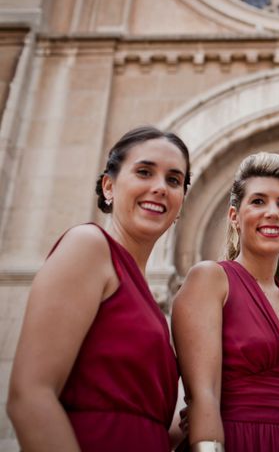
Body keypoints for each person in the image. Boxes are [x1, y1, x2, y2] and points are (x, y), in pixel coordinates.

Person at [7, 126, 191, 451]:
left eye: (174, 180)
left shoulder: (152, 306)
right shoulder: (89, 246)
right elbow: (30, 396)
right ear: (109, 185)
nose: (160, 188)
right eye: (145, 172)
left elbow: (147, 422)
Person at [172, 152, 279, 452]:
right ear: (234, 216)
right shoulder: (211, 279)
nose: (273, 212)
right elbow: (203, 397)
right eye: (258, 201)